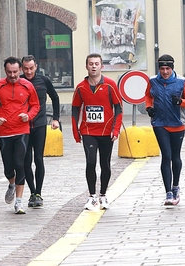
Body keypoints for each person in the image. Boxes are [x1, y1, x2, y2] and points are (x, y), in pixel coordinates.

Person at [0, 56, 40, 214]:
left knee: (20, 164)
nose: (13, 75)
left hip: (22, 131)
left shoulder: (28, 86)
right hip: (4, 133)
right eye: (10, 72)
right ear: (5, 71)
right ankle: (11, 184)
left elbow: (36, 105)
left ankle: (19, 202)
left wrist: (28, 116)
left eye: (15, 72)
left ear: (20, 70)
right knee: (9, 168)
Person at [71, 53, 123, 211]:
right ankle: (92, 197)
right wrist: (75, 131)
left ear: (102, 66)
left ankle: (103, 195)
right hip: (88, 131)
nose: (93, 66)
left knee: (105, 164)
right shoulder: (81, 87)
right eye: (91, 64)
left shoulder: (110, 85)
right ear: (86, 66)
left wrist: (116, 129)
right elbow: (75, 109)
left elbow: (119, 108)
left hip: (107, 132)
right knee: (91, 162)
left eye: (96, 64)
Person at [145, 54, 185, 205]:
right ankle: (168, 193)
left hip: (177, 123)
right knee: (166, 155)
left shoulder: (181, 82)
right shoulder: (153, 81)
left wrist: (181, 101)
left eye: (167, 68)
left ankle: (175, 187)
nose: (165, 72)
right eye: (162, 69)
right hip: (159, 123)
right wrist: (149, 108)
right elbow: (148, 95)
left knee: (175, 156)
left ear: (172, 68)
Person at [20, 55, 60, 208]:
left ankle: (38, 193)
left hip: (40, 125)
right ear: (22, 68)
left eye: (31, 68)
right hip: (23, 127)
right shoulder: (19, 81)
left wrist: (55, 118)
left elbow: (55, 98)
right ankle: (31, 192)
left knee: (38, 158)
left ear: (36, 66)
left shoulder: (43, 81)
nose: (29, 71)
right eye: (26, 68)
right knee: (25, 160)